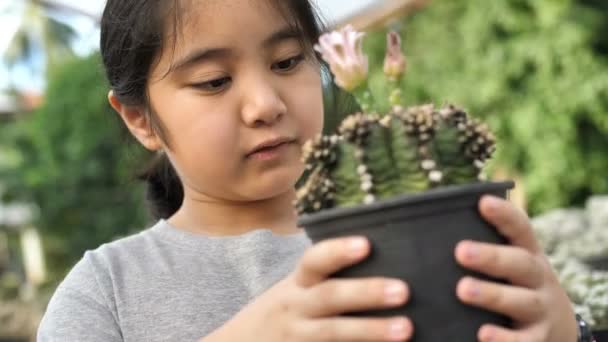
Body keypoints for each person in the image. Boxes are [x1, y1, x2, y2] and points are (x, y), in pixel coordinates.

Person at [37, 0, 586, 341]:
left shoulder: (422, 233)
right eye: (213, 81)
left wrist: (566, 332)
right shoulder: (105, 291)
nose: (265, 104)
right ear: (140, 120)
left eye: (286, 62)